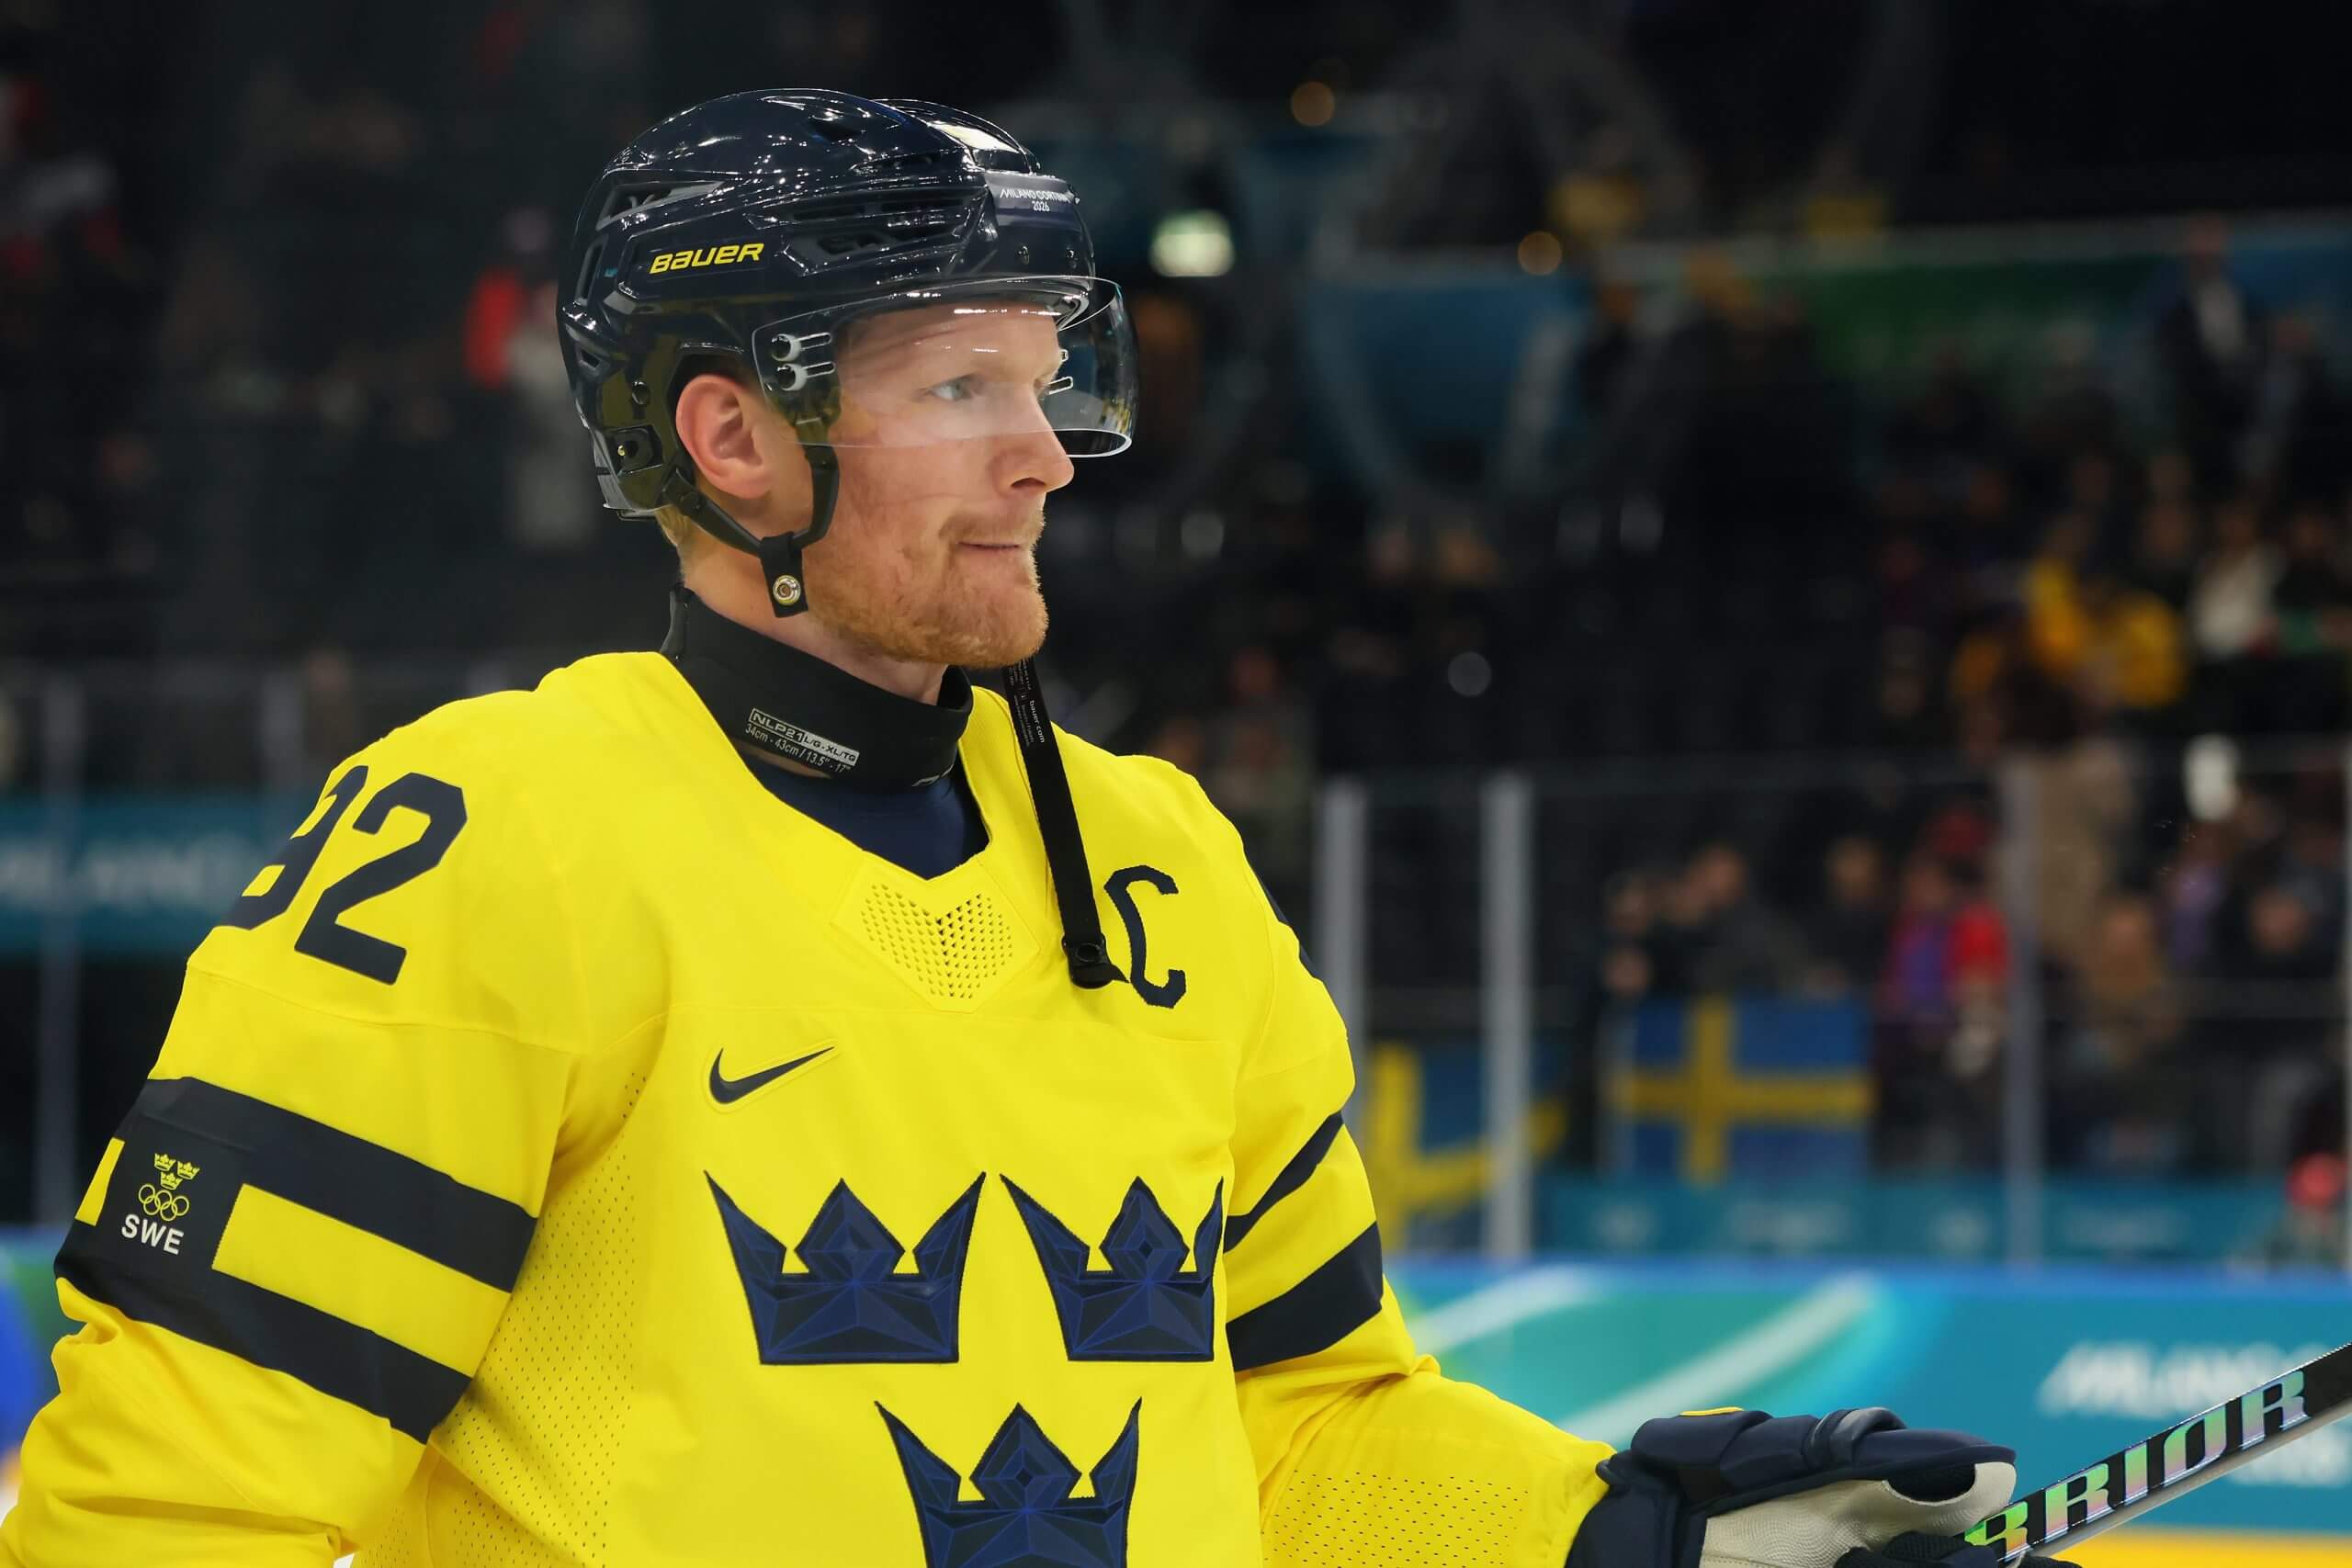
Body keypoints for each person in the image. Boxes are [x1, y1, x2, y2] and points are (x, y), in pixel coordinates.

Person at [0, 91, 2075, 1568]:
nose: (1047, 457)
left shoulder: (1162, 859)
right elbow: (180, 1498)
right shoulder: (491, 840)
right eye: (957, 391)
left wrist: (1620, 1535)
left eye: (1047, 377)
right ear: (734, 437)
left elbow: (1297, 1429)